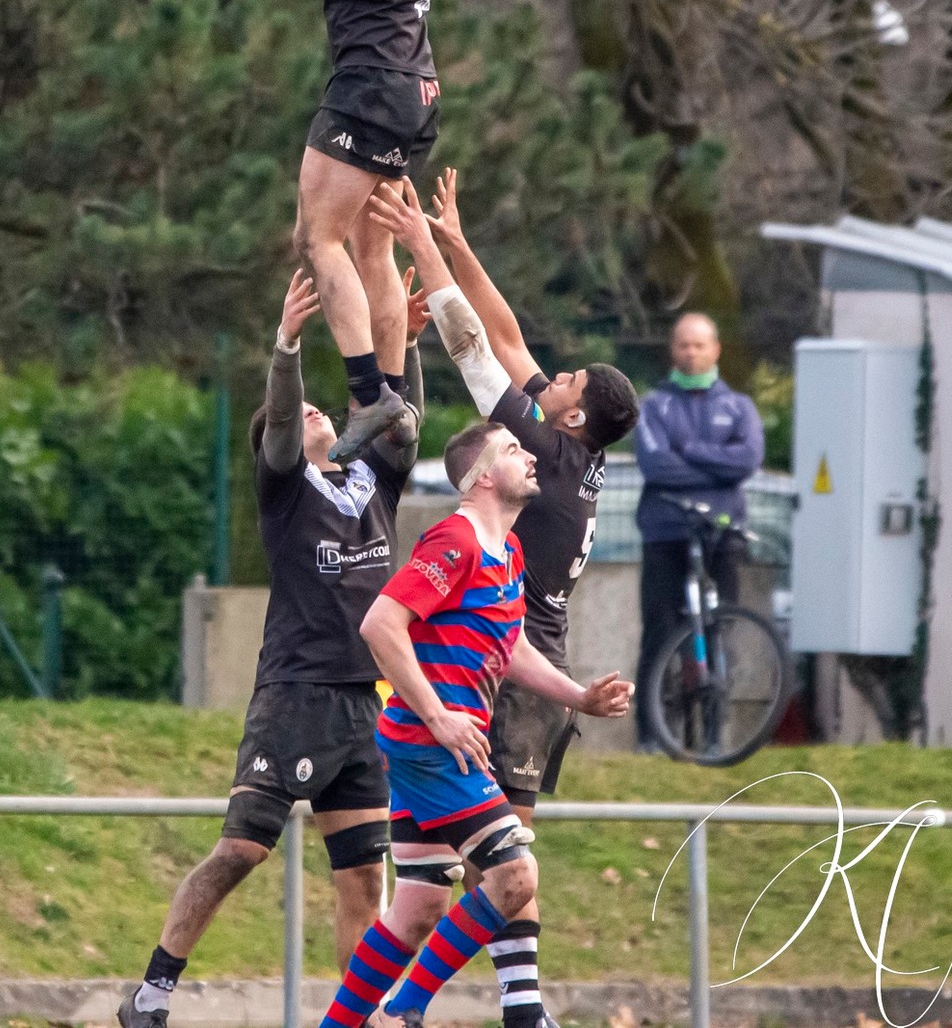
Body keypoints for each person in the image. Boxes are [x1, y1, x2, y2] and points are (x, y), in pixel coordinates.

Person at [366, 172, 637, 1028]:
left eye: (565, 380)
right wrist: (455, 236)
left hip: (515, 664)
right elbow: (510, 332)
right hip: (518, 659)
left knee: (508, 849)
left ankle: (510, 1007)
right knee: (450, 875)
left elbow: (476, 349)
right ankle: (506, 1007)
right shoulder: (572, 452)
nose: (550, 374)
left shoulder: (541, 461)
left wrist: (417, 242)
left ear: (567, 417)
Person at [119, 268, 424, 1028]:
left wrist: (406, 344)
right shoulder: (286, 486)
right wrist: (286, 344)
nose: (318, 409)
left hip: (362, 706)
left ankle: (356, 1017)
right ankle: (152, 993)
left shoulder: (370, 485)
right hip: (294, 697)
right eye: (305, 410)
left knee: (362, 880)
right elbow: (282, 419)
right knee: (240, 852)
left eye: (326, 403)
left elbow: (400, 415)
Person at [313, 420, 632, 1028]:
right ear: (483, 476)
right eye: (514, 449)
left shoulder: (507, 551)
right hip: (429, 746)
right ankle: (405, 1011)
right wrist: (439, 717)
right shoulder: (453, 542)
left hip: (427, 746)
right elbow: (381, 624)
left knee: (420, 902)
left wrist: (578, 697)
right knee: (514, 875)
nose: (529, 456)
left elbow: (507, 645)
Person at [222, 0, 442, 465]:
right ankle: (395, 403)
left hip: (372, 85)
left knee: (314, 239)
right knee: (370, 248)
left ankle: (370, 395)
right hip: (407, 88)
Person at [632, 312, 765, 736]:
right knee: (659, 630)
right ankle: (652, 735)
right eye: (683, 345)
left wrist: (688, 449)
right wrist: (716, 467)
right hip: (665, 532)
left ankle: (712, 730)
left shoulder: (738, 407)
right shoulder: (654, 406)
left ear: (716, 350)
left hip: (721, 535)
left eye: (699, 345)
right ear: (673, 350)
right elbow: (655, 466)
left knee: (718, 627)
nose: (691, 353)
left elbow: (746, 462)